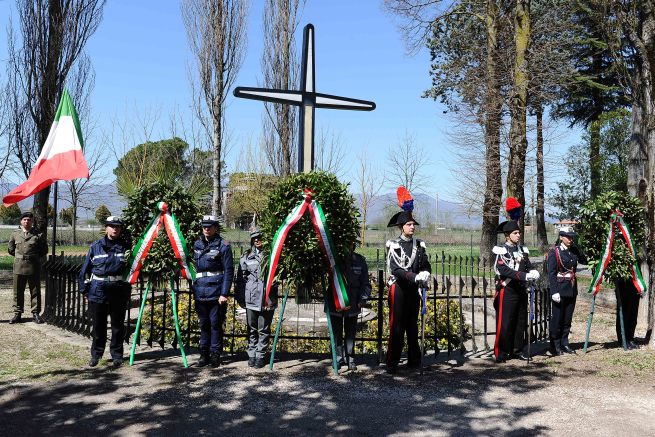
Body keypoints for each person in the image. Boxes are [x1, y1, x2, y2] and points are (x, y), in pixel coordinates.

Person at [79, 216, 131, 368]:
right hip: (98, 289)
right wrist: (84, 290)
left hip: (117, 290)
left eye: (118, 227)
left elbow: (132, 270)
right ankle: (96, 354)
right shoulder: (95, 247)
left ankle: (117, 355)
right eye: (112, 226)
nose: (115, 229)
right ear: (106, 228)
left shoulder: (125, 248)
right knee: (98, 325)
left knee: (117, 326)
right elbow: (84, 271)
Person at [385, 209, 431, 373]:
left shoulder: (419, 245)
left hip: (413, 290)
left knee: (412, 325)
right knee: (397, 326)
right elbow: (396, 269)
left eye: (413, 224)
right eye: (409, 224)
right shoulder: (394, 245)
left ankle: (414, 359)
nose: (412, 227)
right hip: (399, 288)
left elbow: (425, 264)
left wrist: (426, 273)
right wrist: (414, 276)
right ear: (401, 227)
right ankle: (392, 362)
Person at [492, 220, 540, 363]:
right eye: (515, 233)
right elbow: (504, 270)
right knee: (505, 323)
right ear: (507, 235)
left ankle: (517, 350)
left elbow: (527, 265)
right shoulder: (501, 251)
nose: (519, 235)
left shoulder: (522, 251)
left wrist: (533, 271)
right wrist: (525, 276)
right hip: (507, 290)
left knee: (520, 322)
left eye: (519, 232)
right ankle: (502, 352)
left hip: (520, 290)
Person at [191, 215, 233, 368]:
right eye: (204, 226)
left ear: (215, 228)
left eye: (210, 226)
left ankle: (215, 354)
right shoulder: (197, 244)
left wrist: (224, 293)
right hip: (200, 292)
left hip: (216, 292)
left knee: (215, 324)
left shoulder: (223, 245)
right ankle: (204, 354)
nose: (206, 229)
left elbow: (229, 271)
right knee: (204, 324)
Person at [236, 230, 277, 369]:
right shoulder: (246, 256)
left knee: (263, 329)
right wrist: (241, 296)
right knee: (252, 328)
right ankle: (252, 354)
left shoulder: (272, 255)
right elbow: (241, 278)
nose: (257, 240)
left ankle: (260, 355)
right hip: (252, 297)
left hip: (267, 297)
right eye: (254, 239)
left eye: (259, 238)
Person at [328, 243, 371, 371]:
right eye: (346, 243)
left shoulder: (360, 260)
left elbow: (365, 282)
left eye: (351, 243)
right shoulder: (332, 259)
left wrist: (363, 298)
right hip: (335, 301)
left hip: (353, 301)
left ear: (353, 245)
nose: (348, 246)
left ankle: (350, 358)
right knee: (336, 332)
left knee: (351, 333)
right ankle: (337, 358)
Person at [547, 226, 587, 355]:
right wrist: (554, 291)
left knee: (567, 319)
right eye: (568, 237)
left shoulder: (573, 250)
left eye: (572, 237)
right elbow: (551, 273)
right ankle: (555, 345)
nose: (570, 239)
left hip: (571, 288)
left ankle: (564, 343)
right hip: (560, 289)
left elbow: (584, 261)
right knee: (557, 319)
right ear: (561, 237)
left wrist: (578, 248)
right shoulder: (555, 252)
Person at [8, 211, 48, 324]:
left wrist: (32, 257)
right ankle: (17, 314)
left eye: (29, 220)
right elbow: (10, 249)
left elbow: (44, 250)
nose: (27, 221)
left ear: (32, 221)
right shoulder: (15, 234)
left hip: (33, 266)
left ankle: (35, 314)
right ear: (21, 221)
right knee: (17, 291)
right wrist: (21, 257)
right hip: (18, 266)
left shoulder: (38, 234)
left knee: (35, 291)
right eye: (25, 220)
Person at [615, 278, 641, 349]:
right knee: (624, 313)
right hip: (622, 283)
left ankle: (630, 338)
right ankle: (623, 340)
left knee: (633, 314)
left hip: (635, 283)